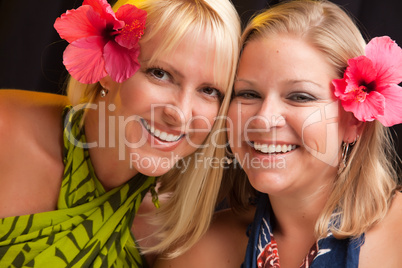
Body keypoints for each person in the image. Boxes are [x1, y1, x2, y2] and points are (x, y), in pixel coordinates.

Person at [154, 0, 402, 267]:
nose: (263, 119)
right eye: (248, 94)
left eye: (299, 96)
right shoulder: (196, 253)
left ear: (354, 122)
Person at [0, 0, 240, 266]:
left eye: (209, 91)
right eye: (160, 74)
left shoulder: (175, 231)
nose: (180, 114)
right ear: (106, 65)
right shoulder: (5, 132)